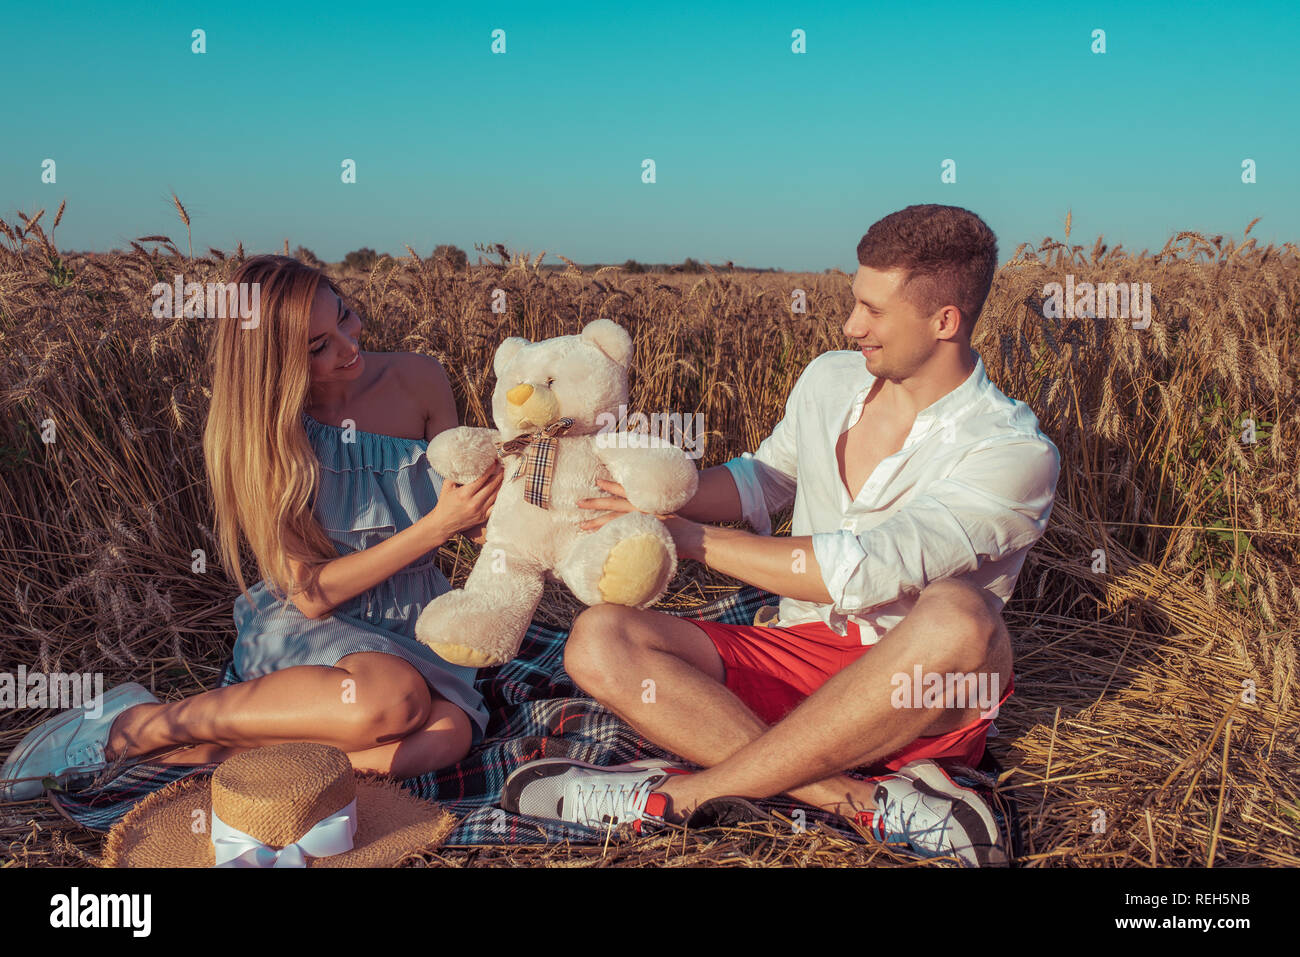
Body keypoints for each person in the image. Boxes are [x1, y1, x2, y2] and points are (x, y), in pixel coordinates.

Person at [501, 205, 1061, 866]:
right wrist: (641, 487)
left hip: (915, 690)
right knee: (598, 638)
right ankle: (854, 801)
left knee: (960, 616)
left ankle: (675, 799)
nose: (853, 326)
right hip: (795, 651)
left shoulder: (1013, 450)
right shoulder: (830, 378)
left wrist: (689, 538)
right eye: (855, 302)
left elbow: (862, 571)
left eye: (873, 312)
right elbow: (761, 480)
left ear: (945, 321)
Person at [1, 255, 505, 801]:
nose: (348, 344)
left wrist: (509, 501)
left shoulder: (421, 378)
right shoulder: (269, 438)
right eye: (318, 346)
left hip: (416, 614)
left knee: (445, 738)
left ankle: (194, 758)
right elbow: (310, 595)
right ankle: (138, 725)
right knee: (393, 701)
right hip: (315, 623)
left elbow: (464, 504)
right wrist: (436, 527)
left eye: (345, 316)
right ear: (273, 361)